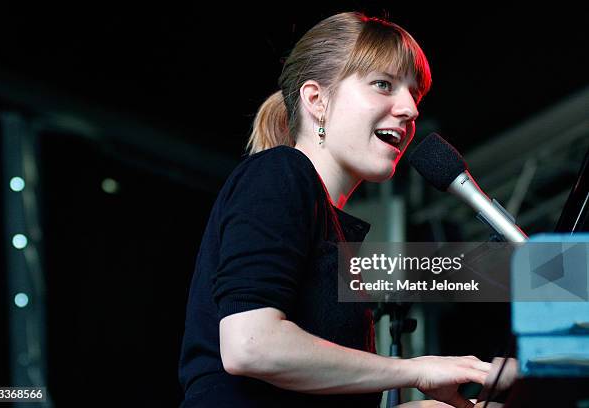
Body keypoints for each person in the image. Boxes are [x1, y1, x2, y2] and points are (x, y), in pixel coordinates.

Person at [179, 11, 494, 408]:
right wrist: (416, 370)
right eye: (384, 84)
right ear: (317, 99)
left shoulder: (332, 230)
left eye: (414, 95)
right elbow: (250, 344)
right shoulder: (281, 172)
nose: (410, 110)